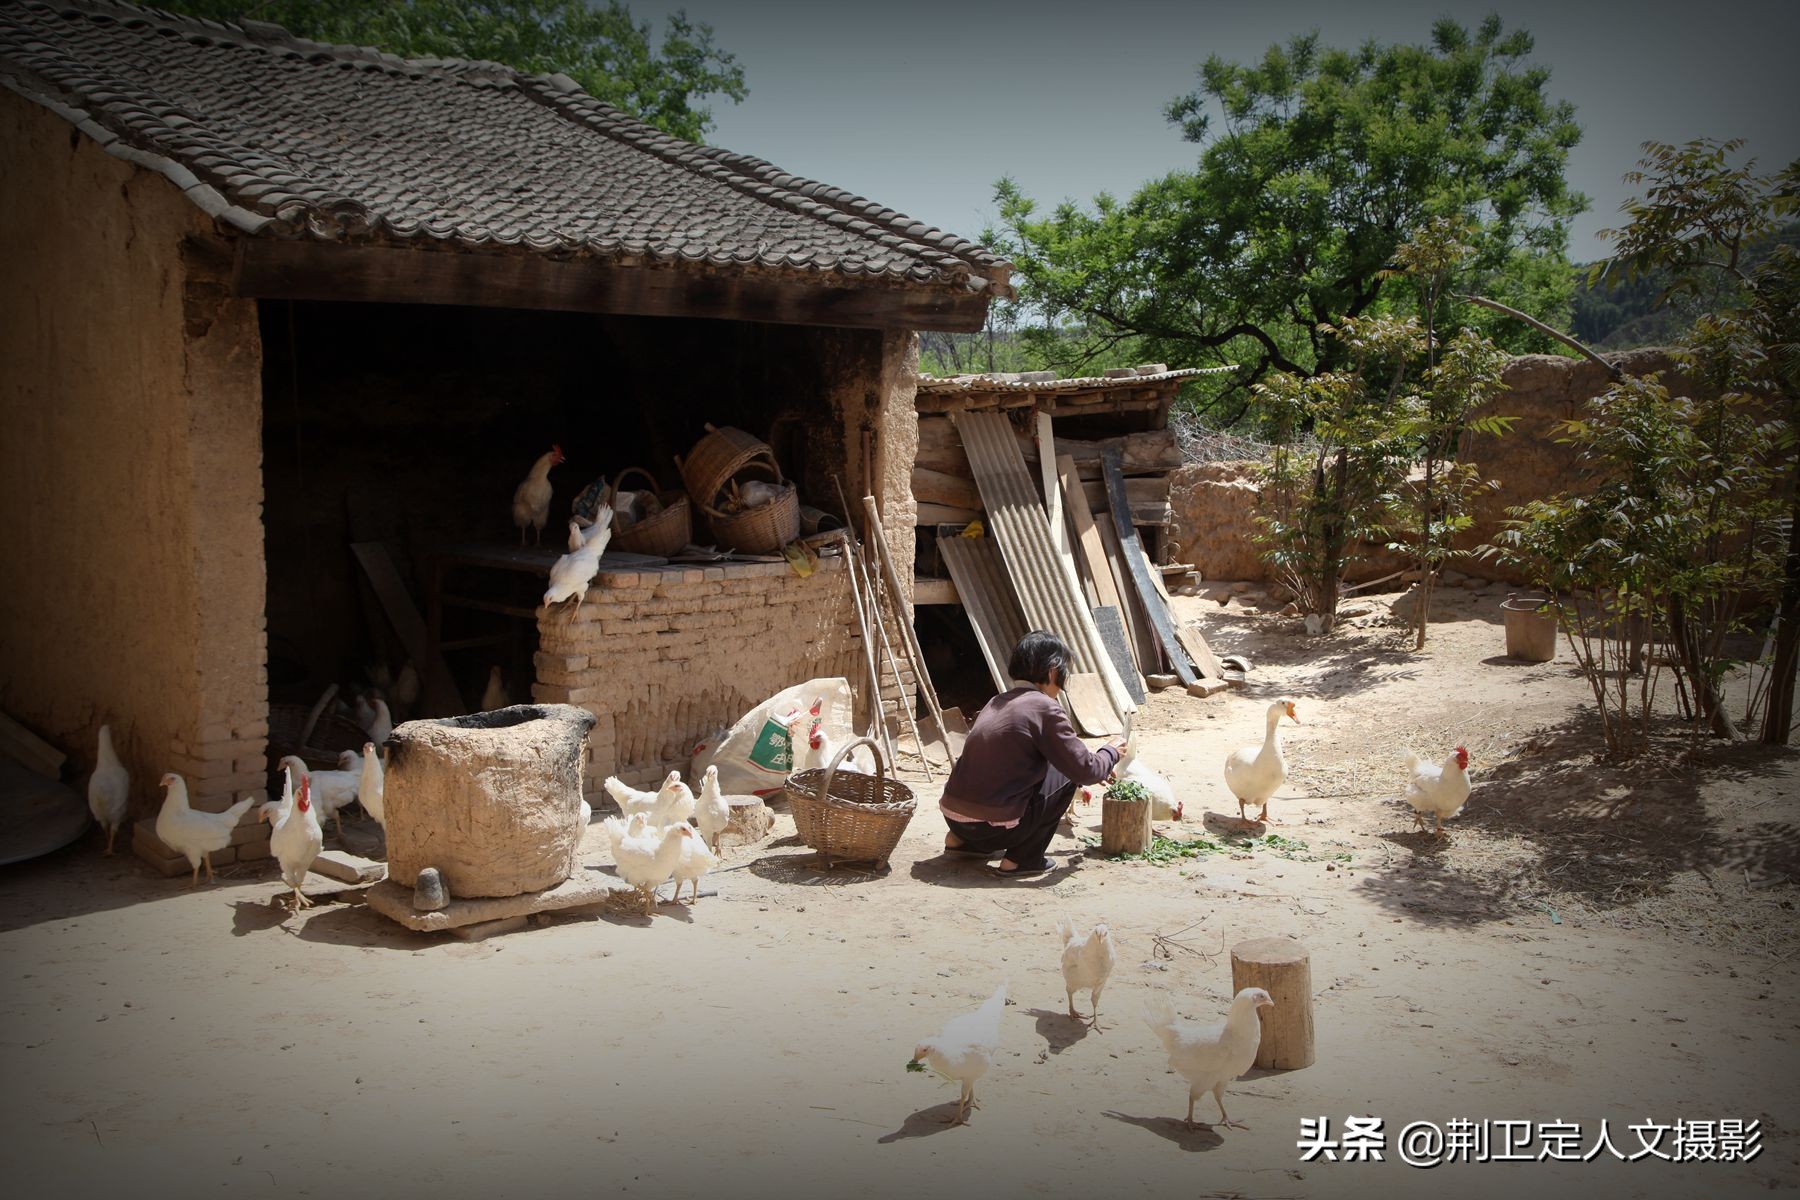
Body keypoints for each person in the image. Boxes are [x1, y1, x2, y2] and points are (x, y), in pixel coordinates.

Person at [938, 630, 1126, 877]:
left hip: (956, 821)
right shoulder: (1044, 707)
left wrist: (1090, 764)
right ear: (1052, 672)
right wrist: (1109, 752)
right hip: (994, 829)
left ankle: (964, 843)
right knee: (1068, 776)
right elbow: (1084, 769)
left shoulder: (996, 702)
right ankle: (1022, 860)